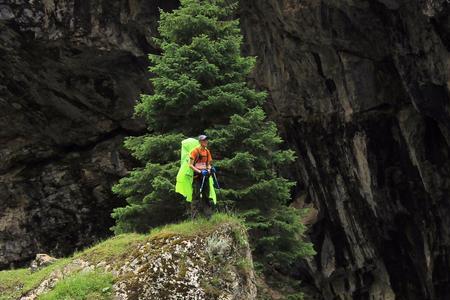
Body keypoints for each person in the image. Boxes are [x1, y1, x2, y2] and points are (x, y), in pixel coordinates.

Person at [189, 134, 213, 218]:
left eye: (206, 140)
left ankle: (208, 217)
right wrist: (199, 171)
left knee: (206, 195)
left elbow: (208, 164)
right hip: (197, 177)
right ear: (200, 142)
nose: (206, 141)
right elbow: (190, 165)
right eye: (204, 140)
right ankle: (194, 218)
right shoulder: (195, 151)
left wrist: (210, 169)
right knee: (196, 196)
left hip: (205, 176)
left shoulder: (207, 152)